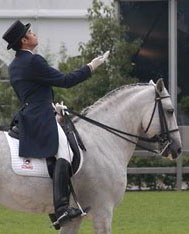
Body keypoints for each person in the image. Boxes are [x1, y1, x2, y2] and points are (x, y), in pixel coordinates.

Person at [2, 20, 109, 227]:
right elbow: (66, 80)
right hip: (40, 117)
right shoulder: (33, 61)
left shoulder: (15, 65)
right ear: (24, 41)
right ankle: (60, 209)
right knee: (64, 152)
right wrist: (90, 67)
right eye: (30, 33)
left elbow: (33, 93)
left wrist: (53, 107)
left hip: (29, 114)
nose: (34, 34)